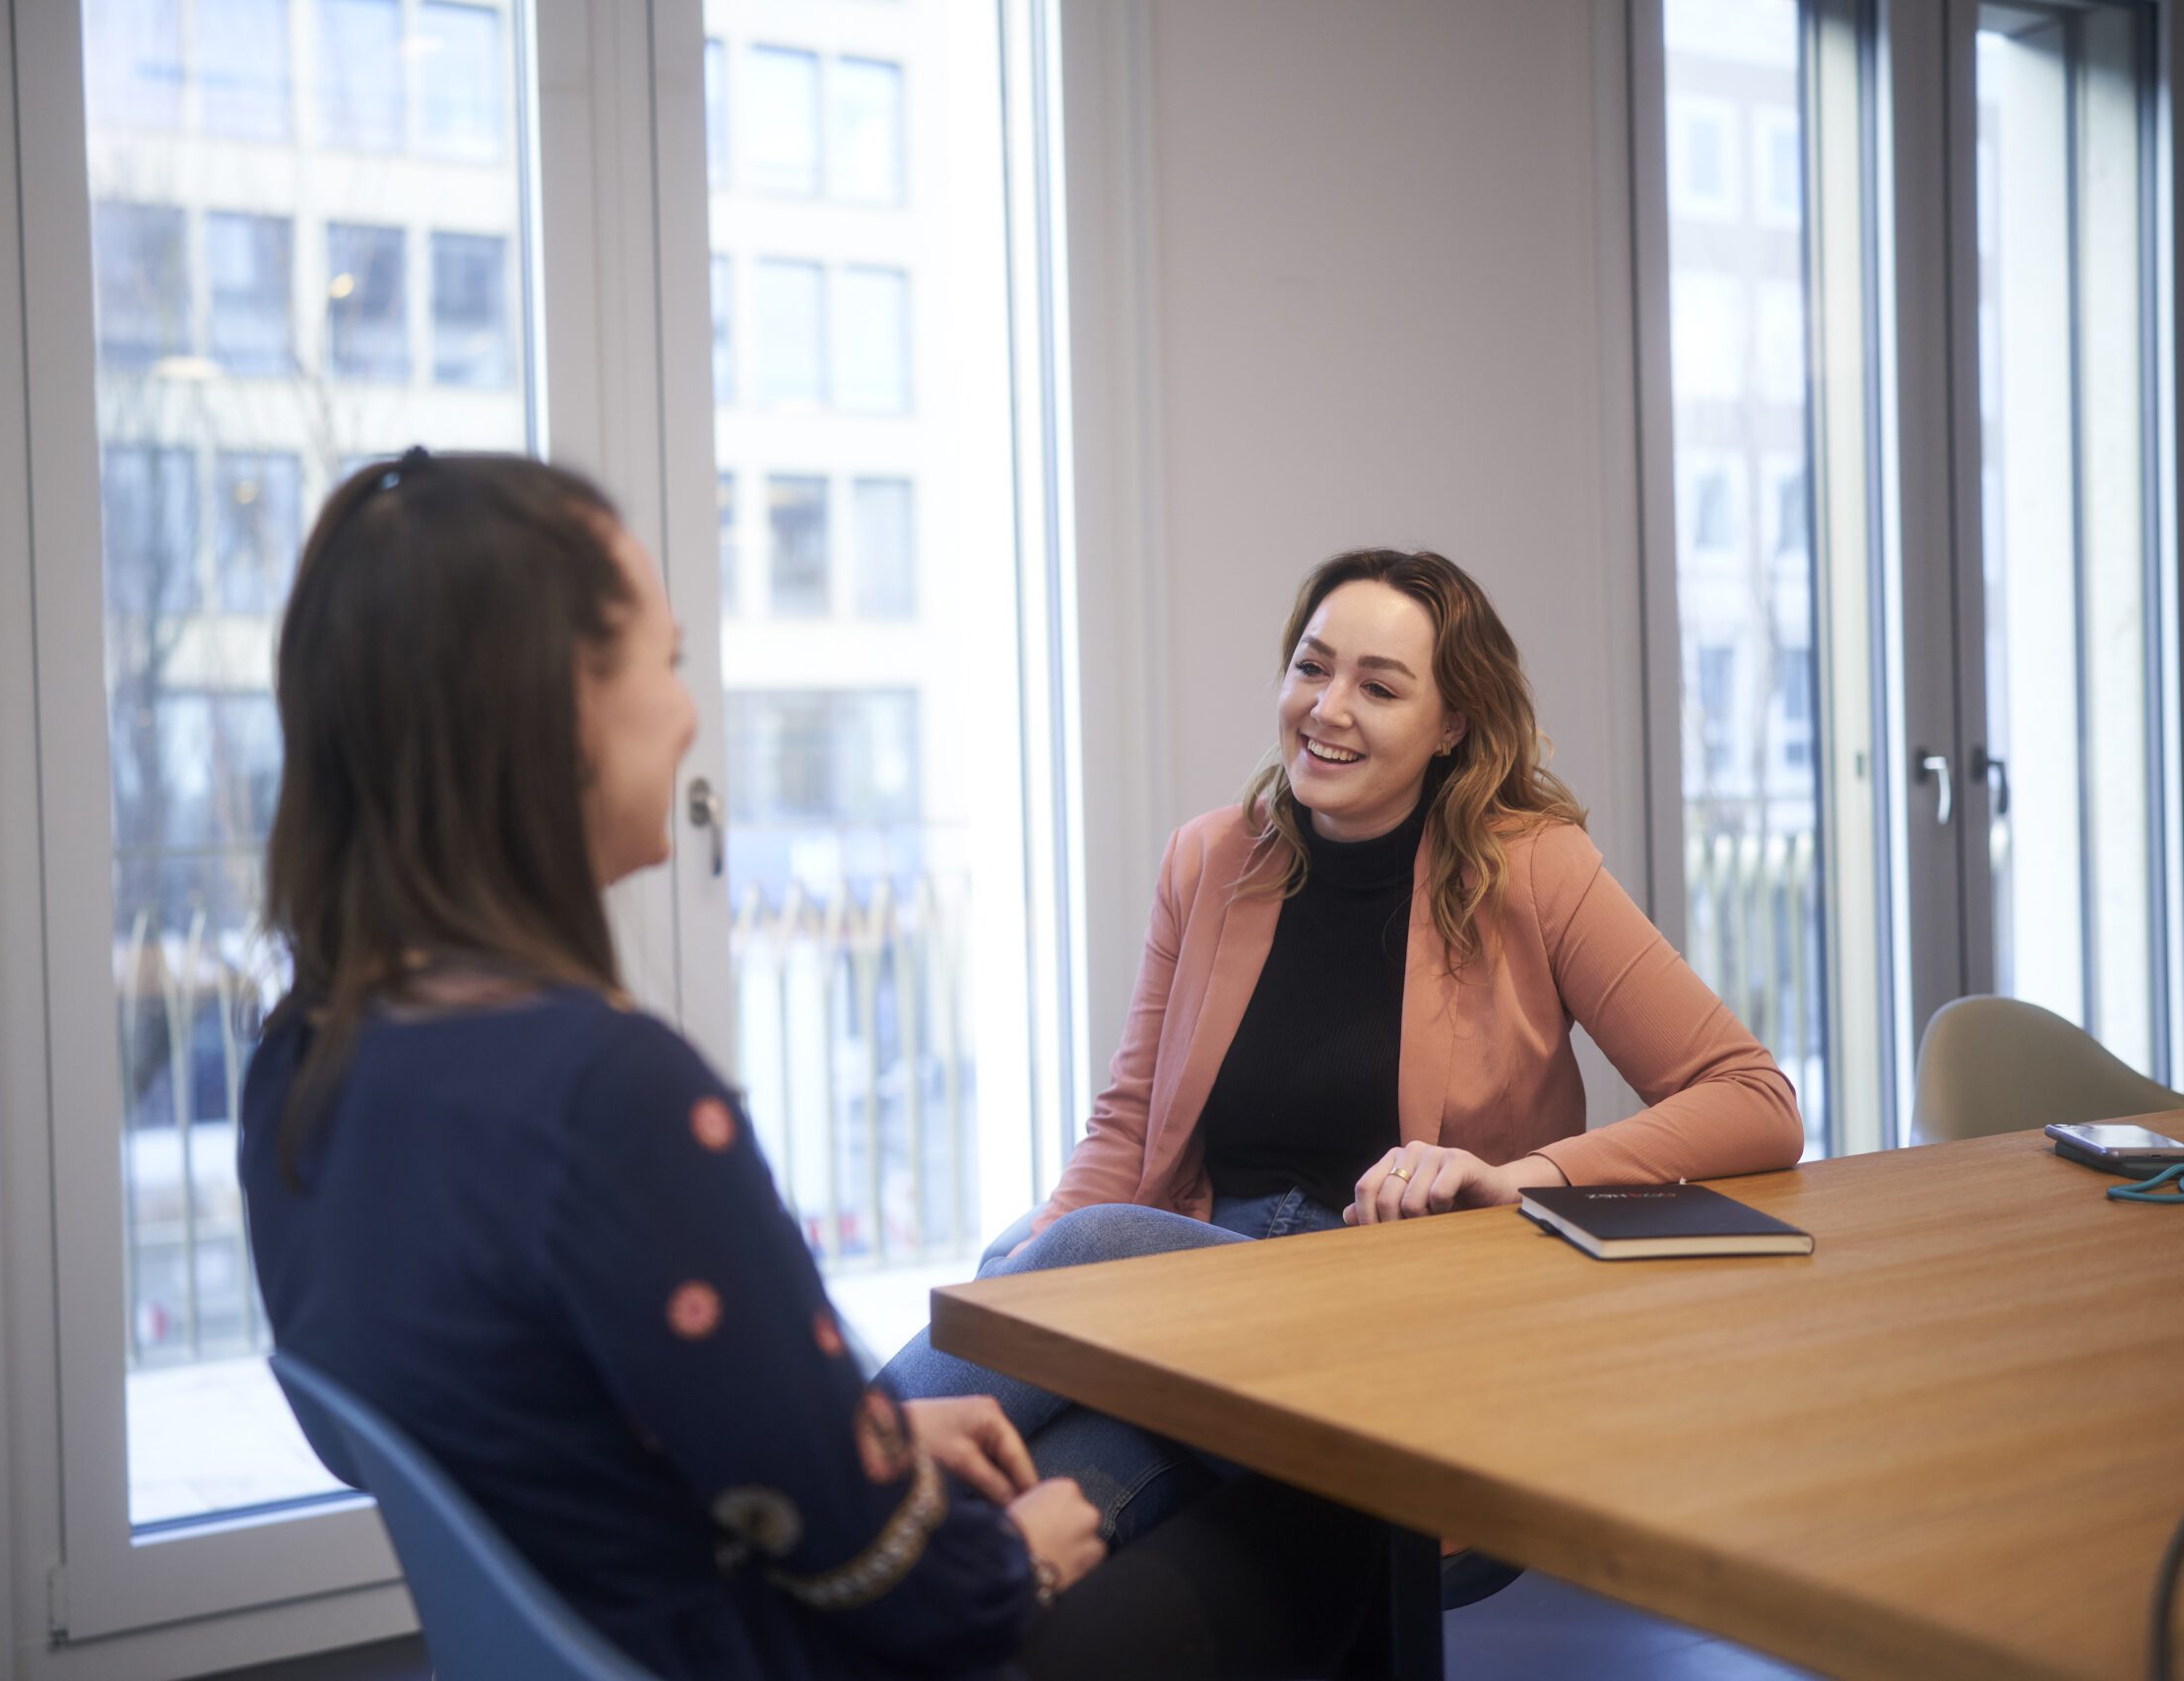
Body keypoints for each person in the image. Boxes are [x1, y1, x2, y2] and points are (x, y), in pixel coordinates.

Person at [238, 450, 1384, 1681]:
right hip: (789, 1651)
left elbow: (521, 1416)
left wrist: (863, 1437)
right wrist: (1021, 1559)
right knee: (1341, 1505)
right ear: (550, 708)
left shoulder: (306, 1059)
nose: (687, 714)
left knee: (1093, 1425)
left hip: (611, 1626)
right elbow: (891, 1582)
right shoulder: (609, 1099)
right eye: (666, 664)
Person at [883, 547, 1806, 1542]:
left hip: (1393, 1317)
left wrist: (1522, 1178)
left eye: (1378, 686)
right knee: (1010, 1516)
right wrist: (1020, 1275)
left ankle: (818, 1458)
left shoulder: (1534, 867)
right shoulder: (1210, 858)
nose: (1326, 709)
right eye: (1312, 667)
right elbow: (1129, 1124)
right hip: (1206, 1289)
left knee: (1091, 1250)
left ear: (1451, 722)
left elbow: (1753, 1097)